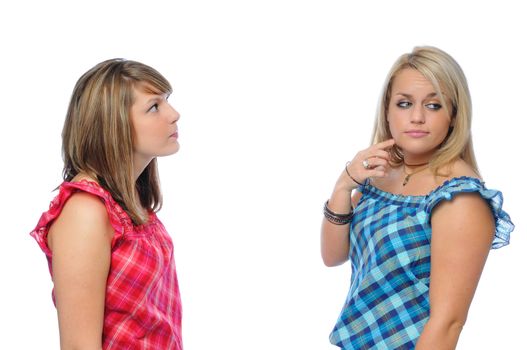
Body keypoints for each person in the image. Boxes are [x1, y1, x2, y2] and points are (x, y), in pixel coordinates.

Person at [321, 46, 514, 349]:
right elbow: (333, 256)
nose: (417, 117)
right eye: (404, 103)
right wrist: (344, 185)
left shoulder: (459, 197)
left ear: (453, 115)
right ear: (387, 109)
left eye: (434, 105)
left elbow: (448, 323)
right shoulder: (382, 173)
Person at [30, 59, 183, 349]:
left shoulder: (128, 204)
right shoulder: (86, 211)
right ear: (113, 124)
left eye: (167, 102)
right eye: (154, 107)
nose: (174, 115)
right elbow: (79, 346)